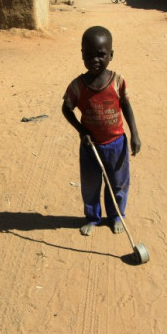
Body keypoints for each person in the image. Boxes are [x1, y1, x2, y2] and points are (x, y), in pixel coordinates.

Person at [62, 26, 142, 236]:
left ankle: (116, 216)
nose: (94, 59)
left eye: (101, 55)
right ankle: (93, 218)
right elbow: (66, 108)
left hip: (116, 144)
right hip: (91, 147)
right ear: (82, 54)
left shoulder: (117, 81)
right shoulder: (78, 85)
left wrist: (135, 134)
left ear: (111, 55)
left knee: (118, 184)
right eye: (88, 55)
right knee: (90, 185)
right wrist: (81, 130)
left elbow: (126, 106)